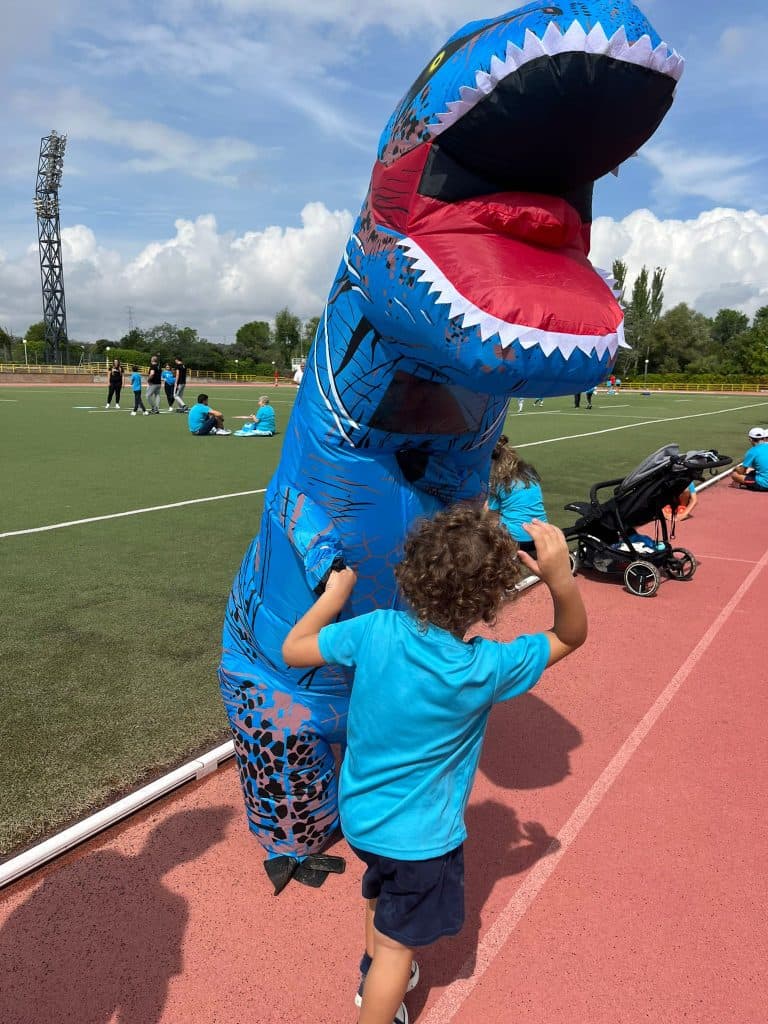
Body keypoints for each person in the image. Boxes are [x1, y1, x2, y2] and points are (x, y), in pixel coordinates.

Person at [281, 505, 587, 1024]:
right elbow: (569, 635)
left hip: (360, 818)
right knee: (400, 951)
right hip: (422, 841)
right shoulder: (487, 667)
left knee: (379, 890)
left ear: (413, 571)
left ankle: (372, 968)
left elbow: (294, 649)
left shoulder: (374, 630)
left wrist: (333, 598)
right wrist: (560, 580)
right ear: (490, 599)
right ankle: (379, 992)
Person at [487, 435, 548, 555]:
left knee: (484, 524)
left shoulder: (498, 481)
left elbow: (492, 517)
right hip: (542, 533)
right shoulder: (529, 473)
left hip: (517, 540)